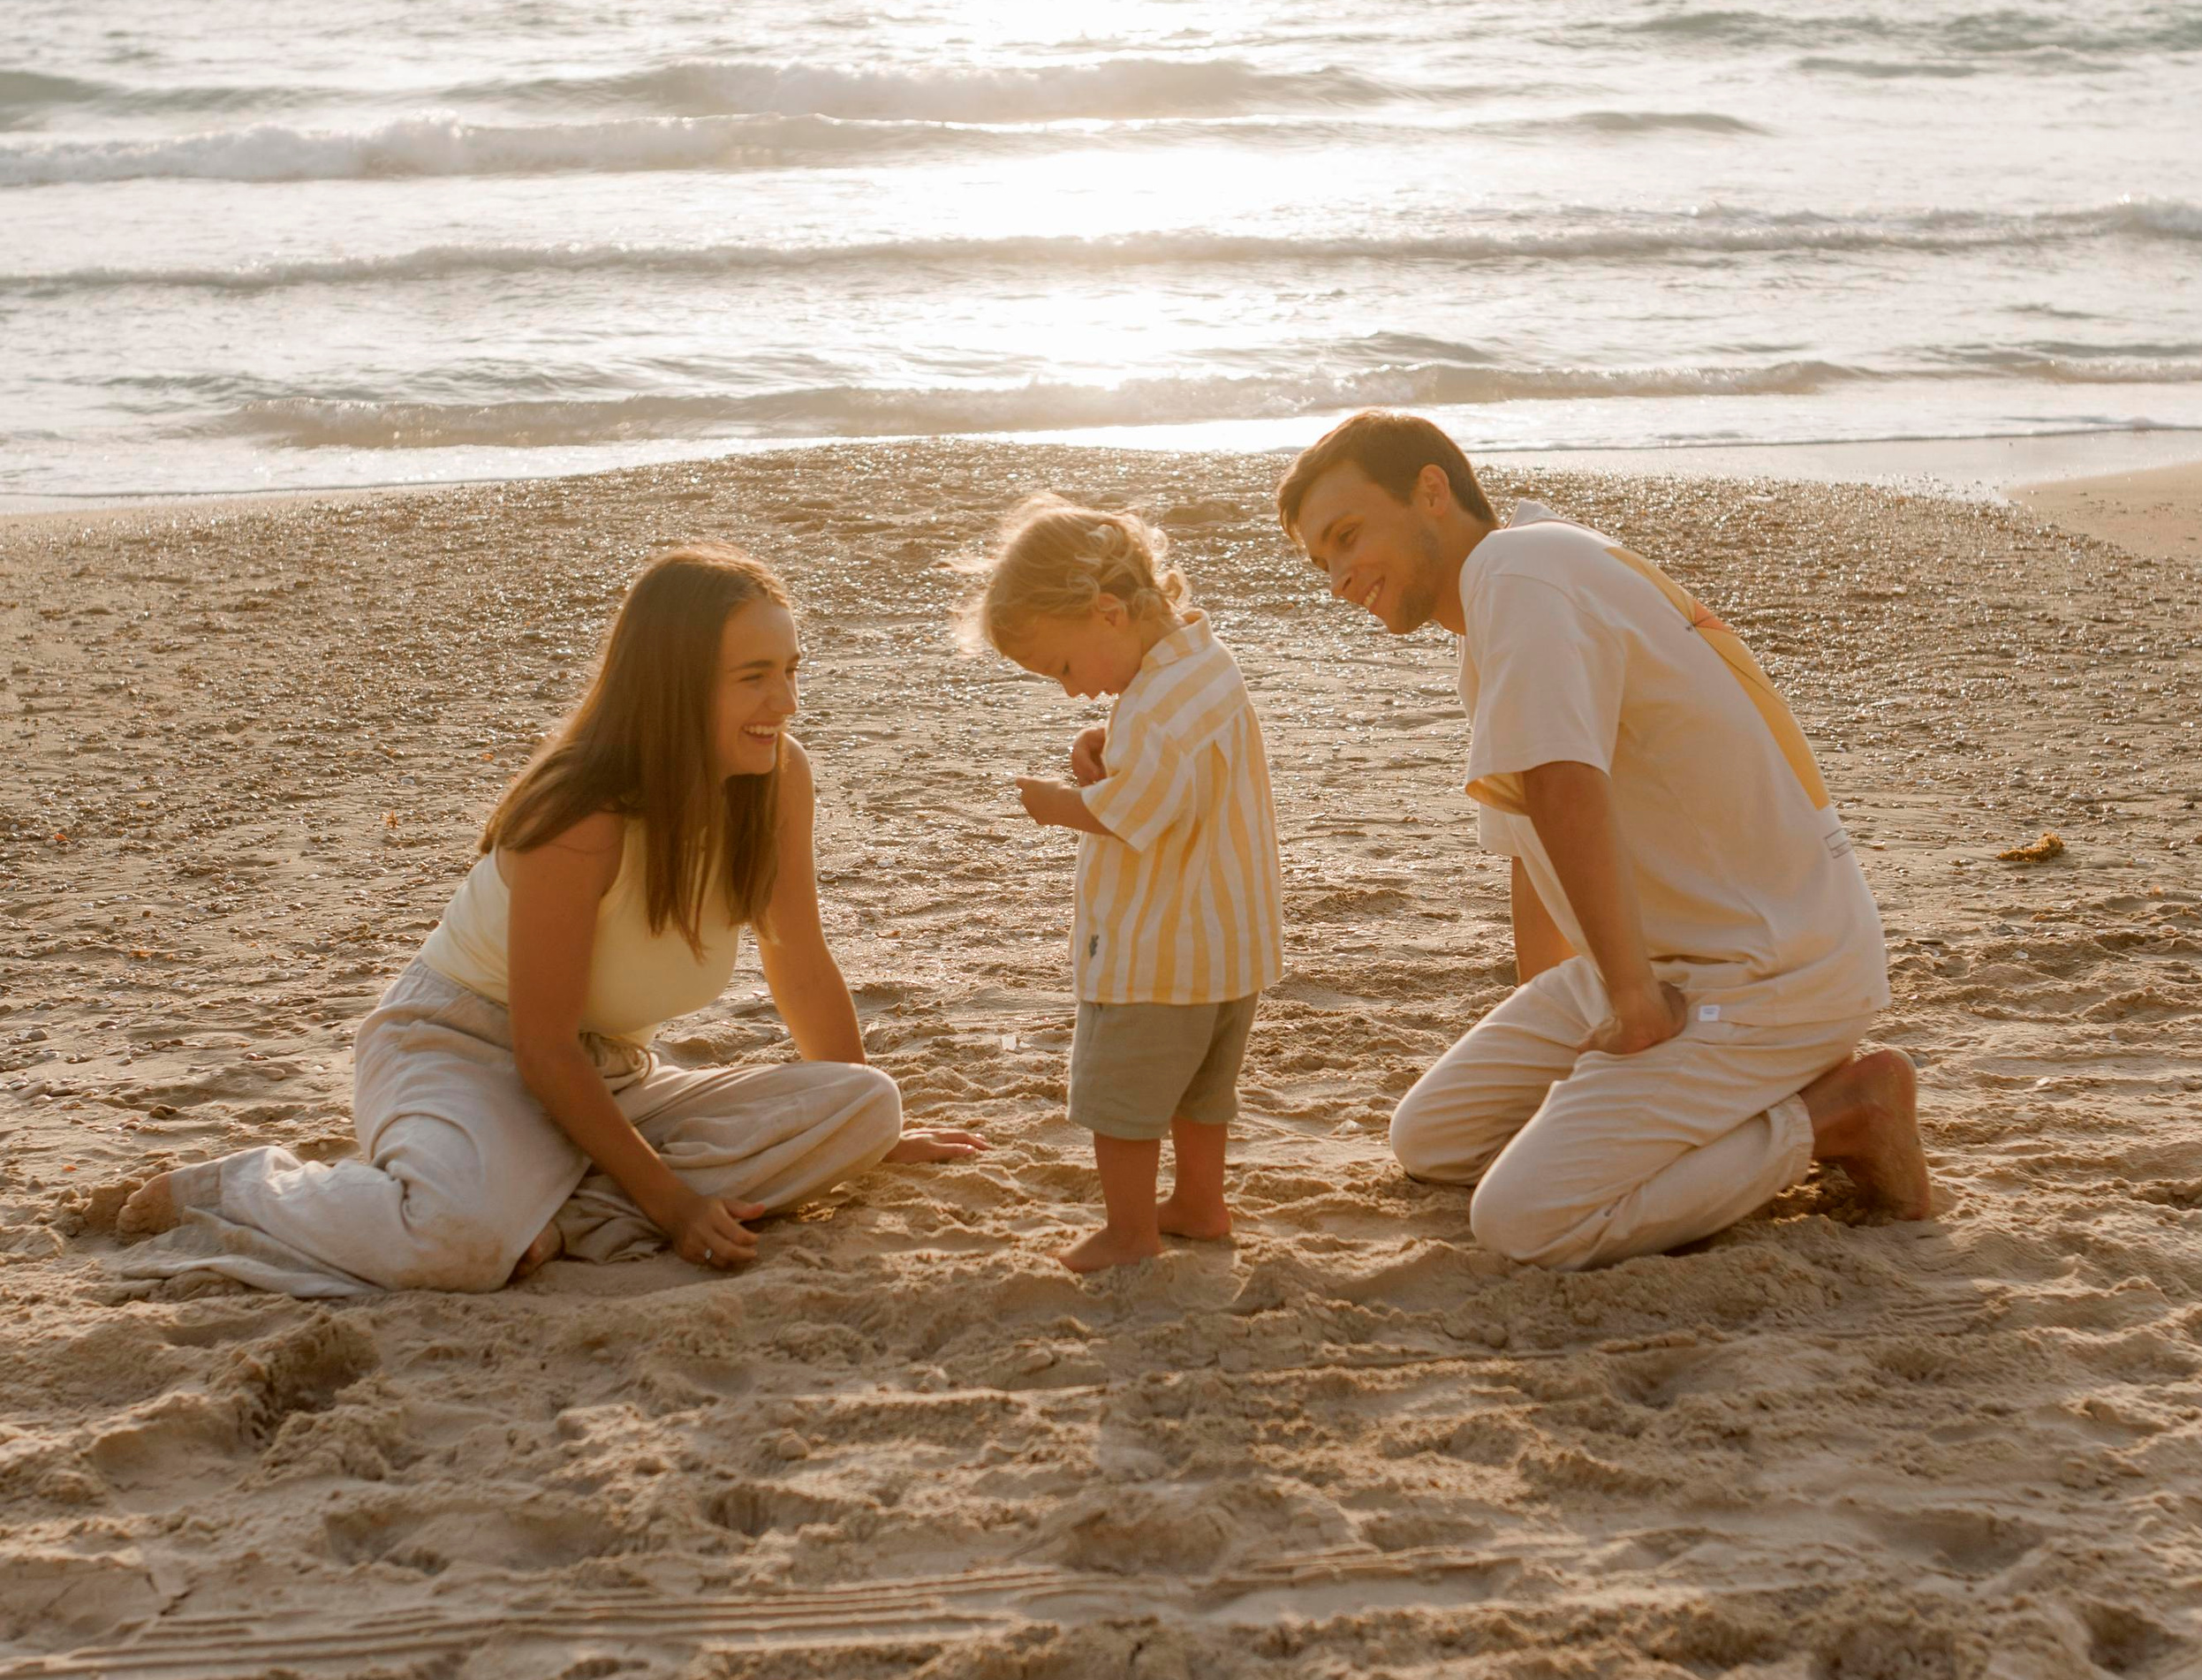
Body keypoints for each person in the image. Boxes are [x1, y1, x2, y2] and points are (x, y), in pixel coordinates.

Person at [108, 546, 979, 1298]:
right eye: (754, 678)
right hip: (461, 1052)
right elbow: (540, 1048)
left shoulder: (778, 779)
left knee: (864, 1107)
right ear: (674, 685)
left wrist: (876, 1141)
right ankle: (238, 1191)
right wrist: (673, 1207)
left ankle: (559, 1217)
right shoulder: (585, 813)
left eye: (791, 671)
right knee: (458, 1244)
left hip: (608, 1074)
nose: (784, 704)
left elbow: (799, 958)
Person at [1276, 411, 1930, 1272]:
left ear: (1431, 490)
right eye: (1321, 558)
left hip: (1768, 967)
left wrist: (1633, 1008)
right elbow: (1529, 842)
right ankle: (1732, 1095)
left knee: (1523, 1221)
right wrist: (1570, 1025)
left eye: (1348, 534)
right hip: (1665, 951)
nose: (1337, 577)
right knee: (1432, 1139)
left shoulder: (1520, 575)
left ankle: (1841, 1110)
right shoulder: (1520, 573)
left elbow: (1563, 789)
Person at [965, 496, 1283, 1272]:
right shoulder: (1203, 661)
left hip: (1157, 950)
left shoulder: (1153, 709)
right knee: (1202, 1094)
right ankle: (1202, 1205)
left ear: (1107, 613)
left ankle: (1130, 1232)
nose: (1073, 691)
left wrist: (1059, 805)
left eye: (1063, 668)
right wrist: (1110, 745)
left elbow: (1137, 812)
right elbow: (1180, 777)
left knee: (1123, 1100)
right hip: (1228, 942)